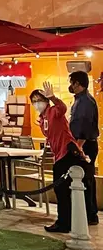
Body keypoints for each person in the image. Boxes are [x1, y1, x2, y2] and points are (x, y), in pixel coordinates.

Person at [30, 81, 91, 233]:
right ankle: (66, 221)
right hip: (59, 154)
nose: (37, 104)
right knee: (62, 190)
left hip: (67, 151)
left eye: (39, 100)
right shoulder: (42, 119)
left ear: (45, 101)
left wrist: (53, 98)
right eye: (34, 102)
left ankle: (64, 223)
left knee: (62, 189)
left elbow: (62, 108)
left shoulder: (53, 111)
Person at [68, 70, 99, 224]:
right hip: (82, 143)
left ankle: (90, 213)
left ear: (77, 84)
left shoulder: (85, 102)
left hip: (85, 145)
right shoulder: (80, 100)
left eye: (72, 82)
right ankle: (87, 212)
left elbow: (85, 126)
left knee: (85, 178)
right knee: (84, 178)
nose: (70, 86)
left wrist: (78, 146)